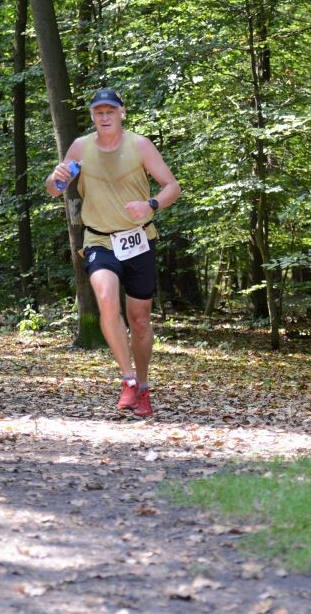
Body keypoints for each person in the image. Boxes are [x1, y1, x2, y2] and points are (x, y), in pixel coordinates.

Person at [47, 88, 181, 418]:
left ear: (122, 113)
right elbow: (56, 190)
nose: (104, 117)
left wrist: (150, 204)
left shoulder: (140, 145)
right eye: (98, 112)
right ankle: (128, 379)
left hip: (138, 240)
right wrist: (55, 178)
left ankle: (145, 387)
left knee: (139, 318)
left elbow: (172, 187)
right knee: (106, 299)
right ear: (92, 116)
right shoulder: (81, 147)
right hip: (99, 240)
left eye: (110, 111)